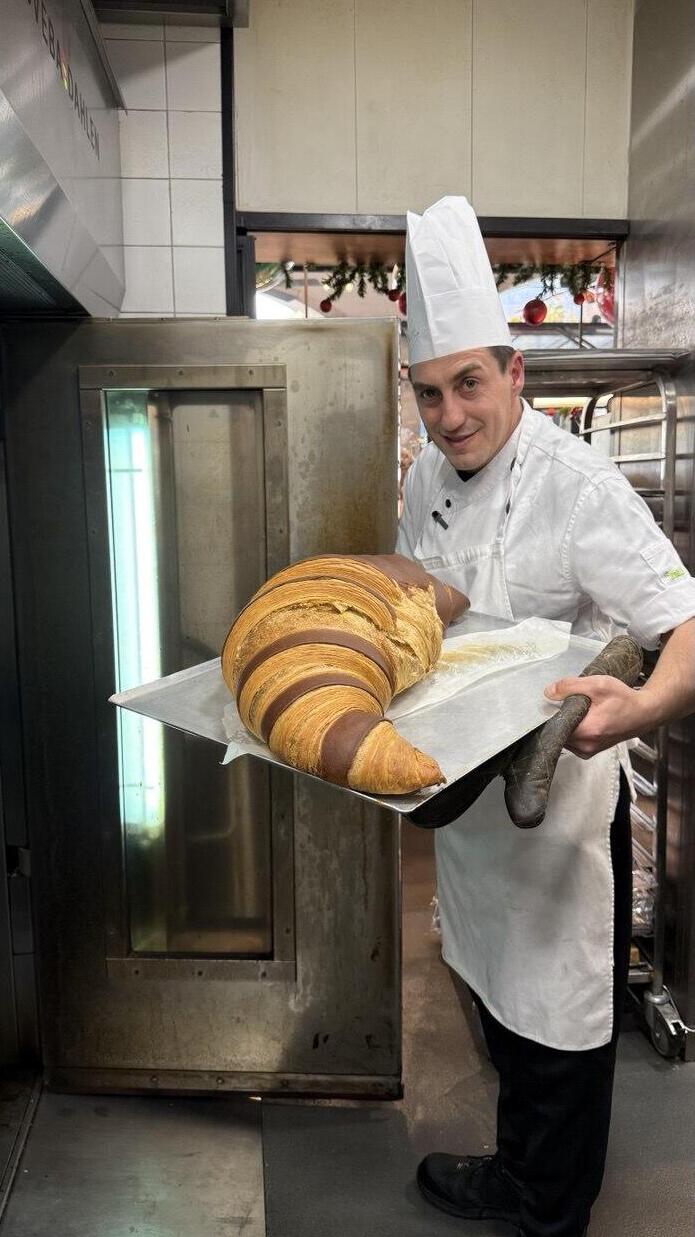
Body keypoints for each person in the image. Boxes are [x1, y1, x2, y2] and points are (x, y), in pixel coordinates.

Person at [396, 196, 695, 1237]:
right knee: (495, 999)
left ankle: (546, 1208)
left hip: (559, 799)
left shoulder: (579, 485)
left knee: (558, 1022)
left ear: (512, 372)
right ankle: (518, 1167)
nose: (449, 417)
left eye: (467, 384)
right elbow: (428, 601)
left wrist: (640, 707)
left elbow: (684, 624)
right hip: (475, 798)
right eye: (428, 393)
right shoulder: (426, 474)